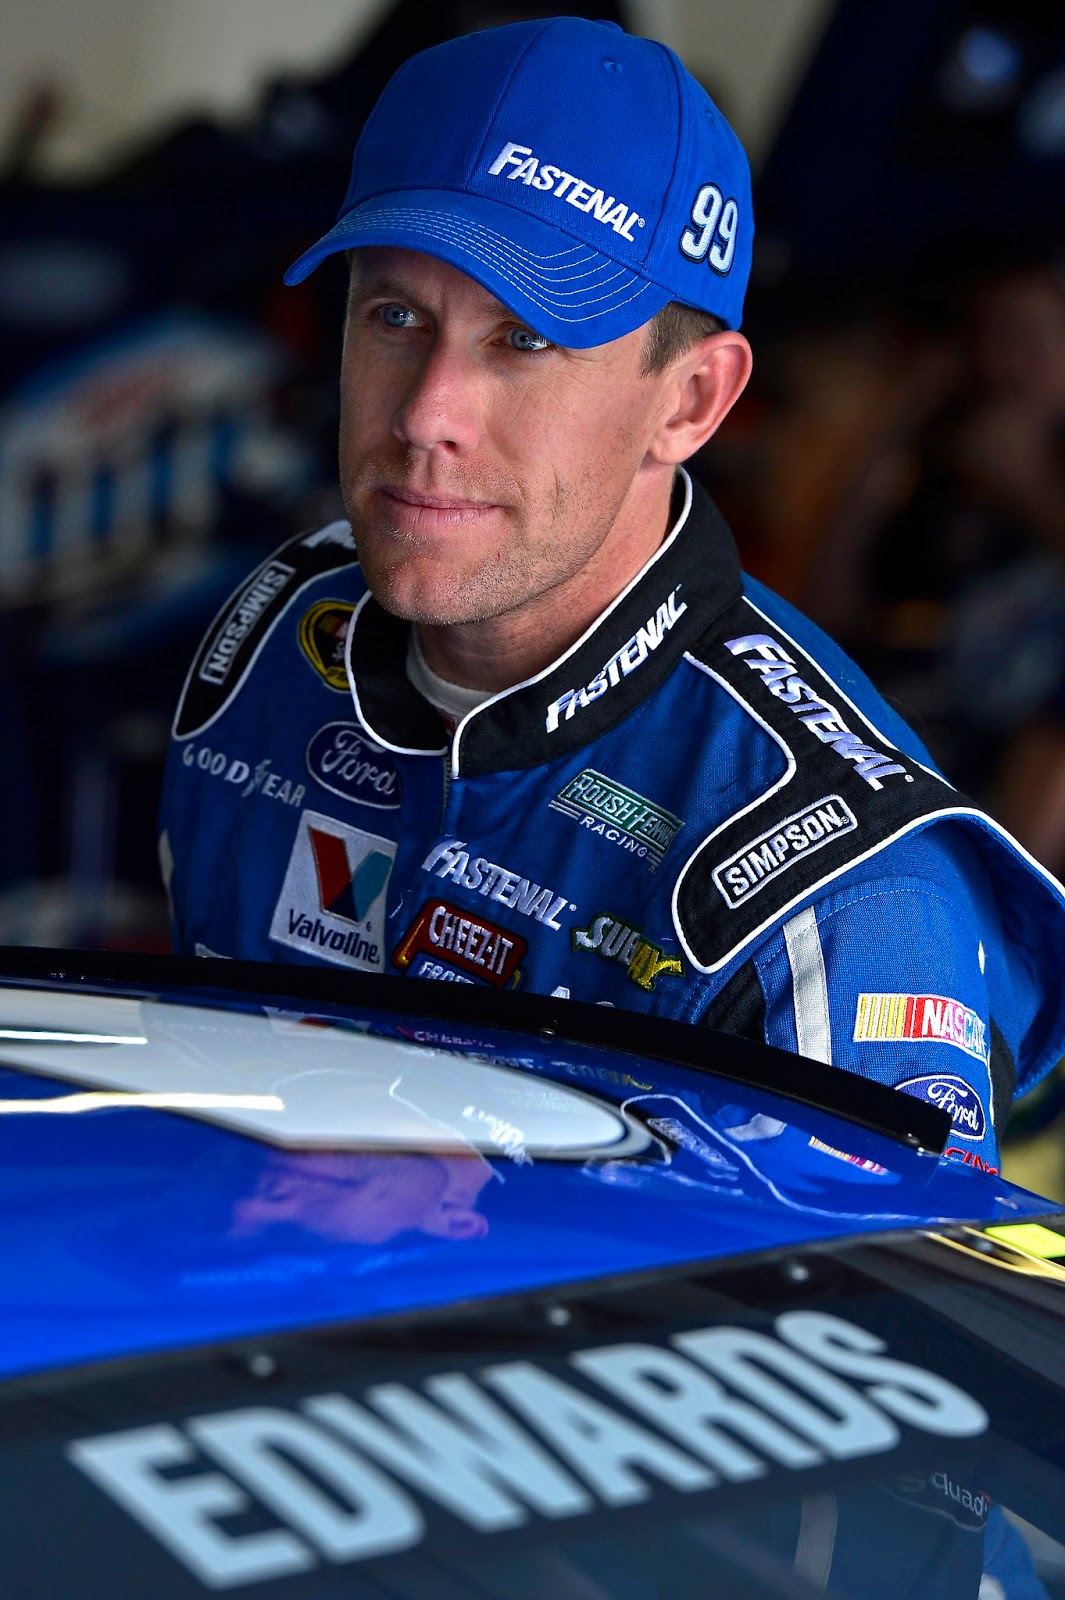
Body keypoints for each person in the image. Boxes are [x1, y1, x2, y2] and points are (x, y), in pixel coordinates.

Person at [160, 15, 1065, 1175]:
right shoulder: (274, 645)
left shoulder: (842, 907)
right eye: (394, 315)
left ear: (690, 402)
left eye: (524, 339)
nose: (426, 412)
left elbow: (840, 1296)